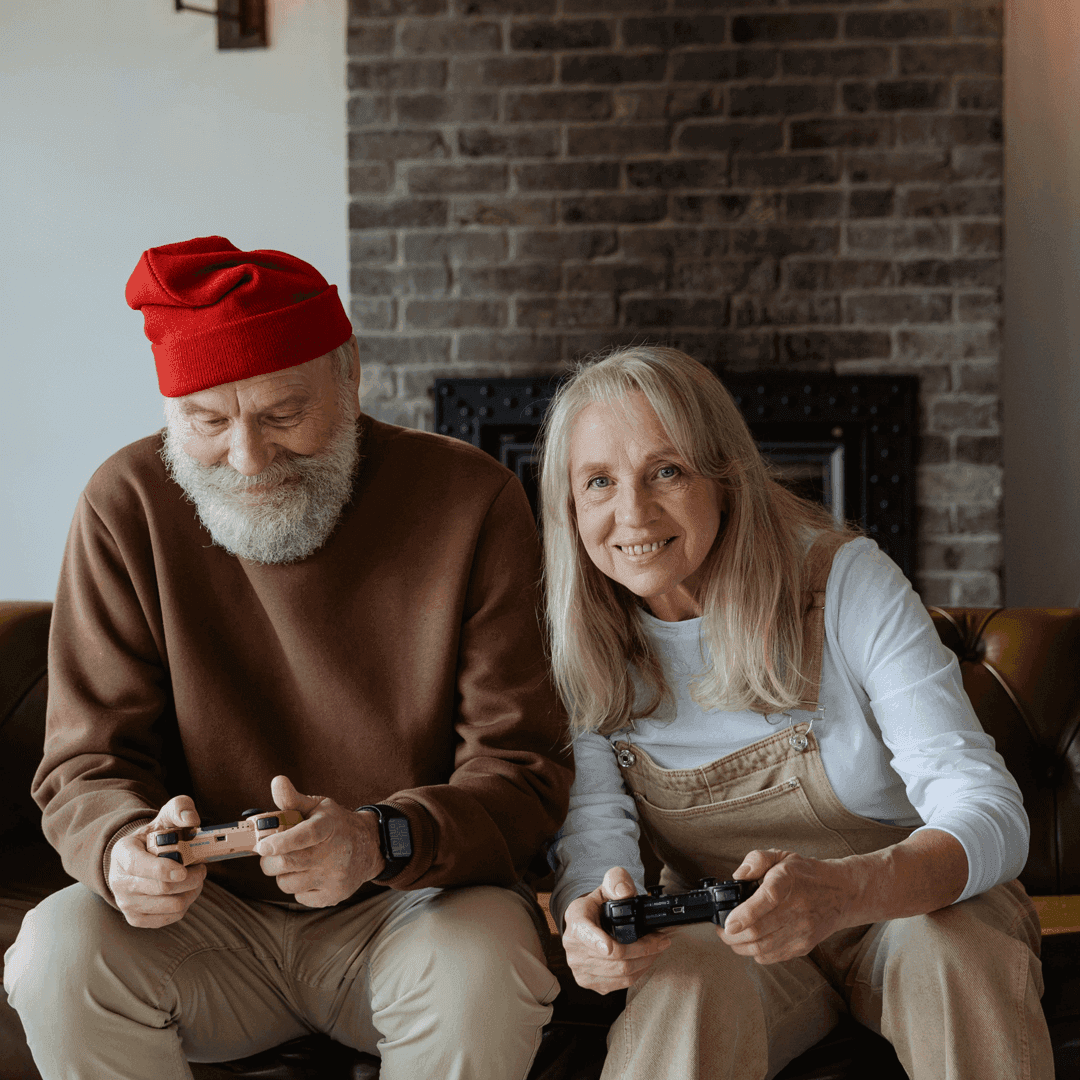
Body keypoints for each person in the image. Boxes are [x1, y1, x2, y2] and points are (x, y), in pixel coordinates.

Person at [4, 236, 572, 1080]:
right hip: (202, 930)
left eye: (281, 415)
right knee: (55, 949)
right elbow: (86, 760)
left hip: (411, 907)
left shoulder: (470, 497)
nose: (248, 458)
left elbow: (524, 769)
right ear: (171, 415)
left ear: (350, 376)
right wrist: (123, 847)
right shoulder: (123, 503)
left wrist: (382, 838)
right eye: (208, 421)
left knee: (485, 963)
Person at [538, 345, 1052, 1080]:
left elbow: (990, 811)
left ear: (725, 477)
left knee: (952, 956)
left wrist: (845, 892)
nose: (633, 513)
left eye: (667, 470)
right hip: (731, 938)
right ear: (569, 506)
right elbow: (597, 841)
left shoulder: (845, 582)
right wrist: (590, 920)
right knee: (684, 985)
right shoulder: (583, 640)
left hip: (913, 909)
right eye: (598, 482)